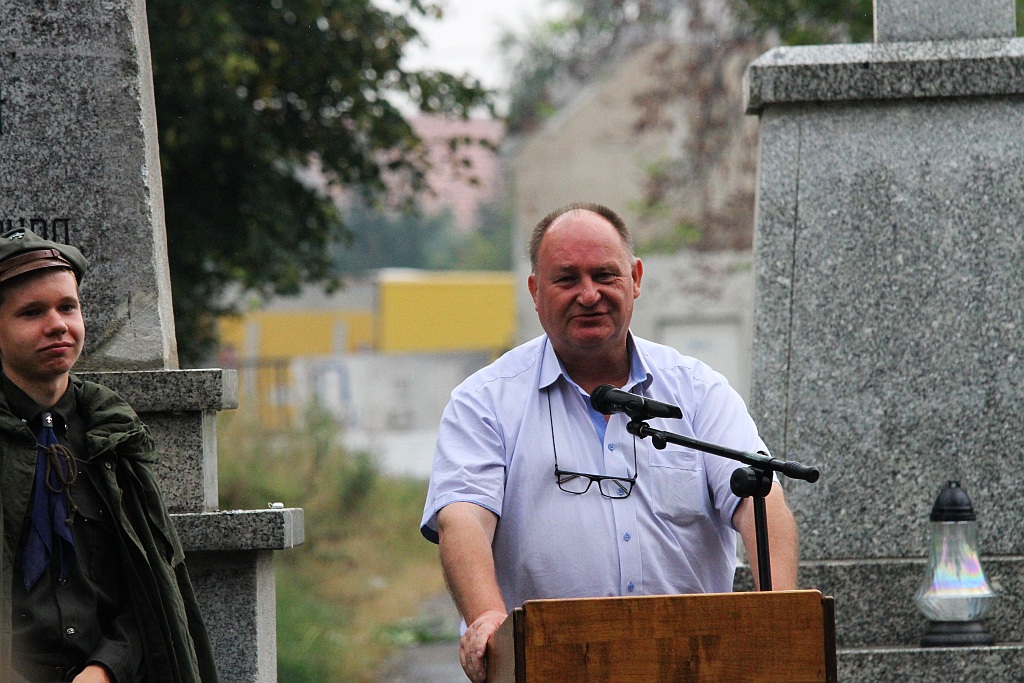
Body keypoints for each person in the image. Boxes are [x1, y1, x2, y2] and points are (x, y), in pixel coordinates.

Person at [420, 203, 798, 682]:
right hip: (548, 664)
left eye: (605, 274)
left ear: (635, 278)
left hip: (693, 664)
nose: (589, 294)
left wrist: (784, 617)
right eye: (567, 279)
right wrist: (489, 620)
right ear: (535, 291)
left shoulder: (698, 391)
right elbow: (463, 520)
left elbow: (759, 498)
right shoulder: (484, 402)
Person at [0, 228, 219, 683]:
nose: (57, 324)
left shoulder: (110, 436)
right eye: (31, 312)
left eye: (68, 307)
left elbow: (152, 588)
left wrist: (106, 668)